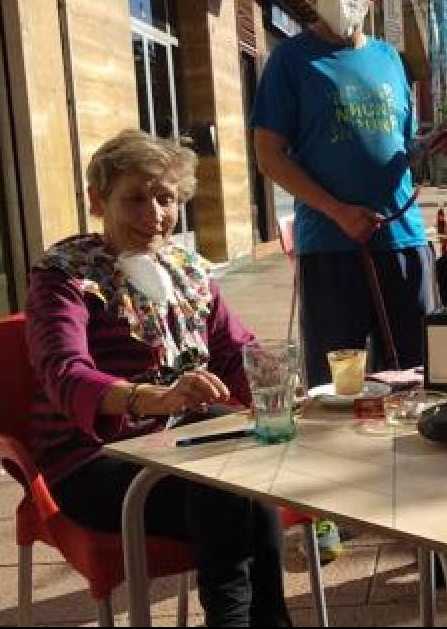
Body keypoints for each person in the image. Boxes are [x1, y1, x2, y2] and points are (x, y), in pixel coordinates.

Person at [25, 130, 291, 627]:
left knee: (249, 481)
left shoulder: (186, 266)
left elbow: (236, 350)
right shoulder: (63, 275)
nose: (154, 215)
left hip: (182, 445)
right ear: (97, 200)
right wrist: (153, 398)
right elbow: (64, 372)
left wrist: (285, 383)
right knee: (230, 487)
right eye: (134, 199)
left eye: (165, 198)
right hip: (91, 459)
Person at [251, 0, 431, 383]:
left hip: (403, 241)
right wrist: (338, 212)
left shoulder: (391, 59)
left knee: (419, 379)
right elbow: (269, 157)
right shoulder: (290, 61)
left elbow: (401, 152)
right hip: (330, 248)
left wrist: (434, 145)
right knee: (337, 389)